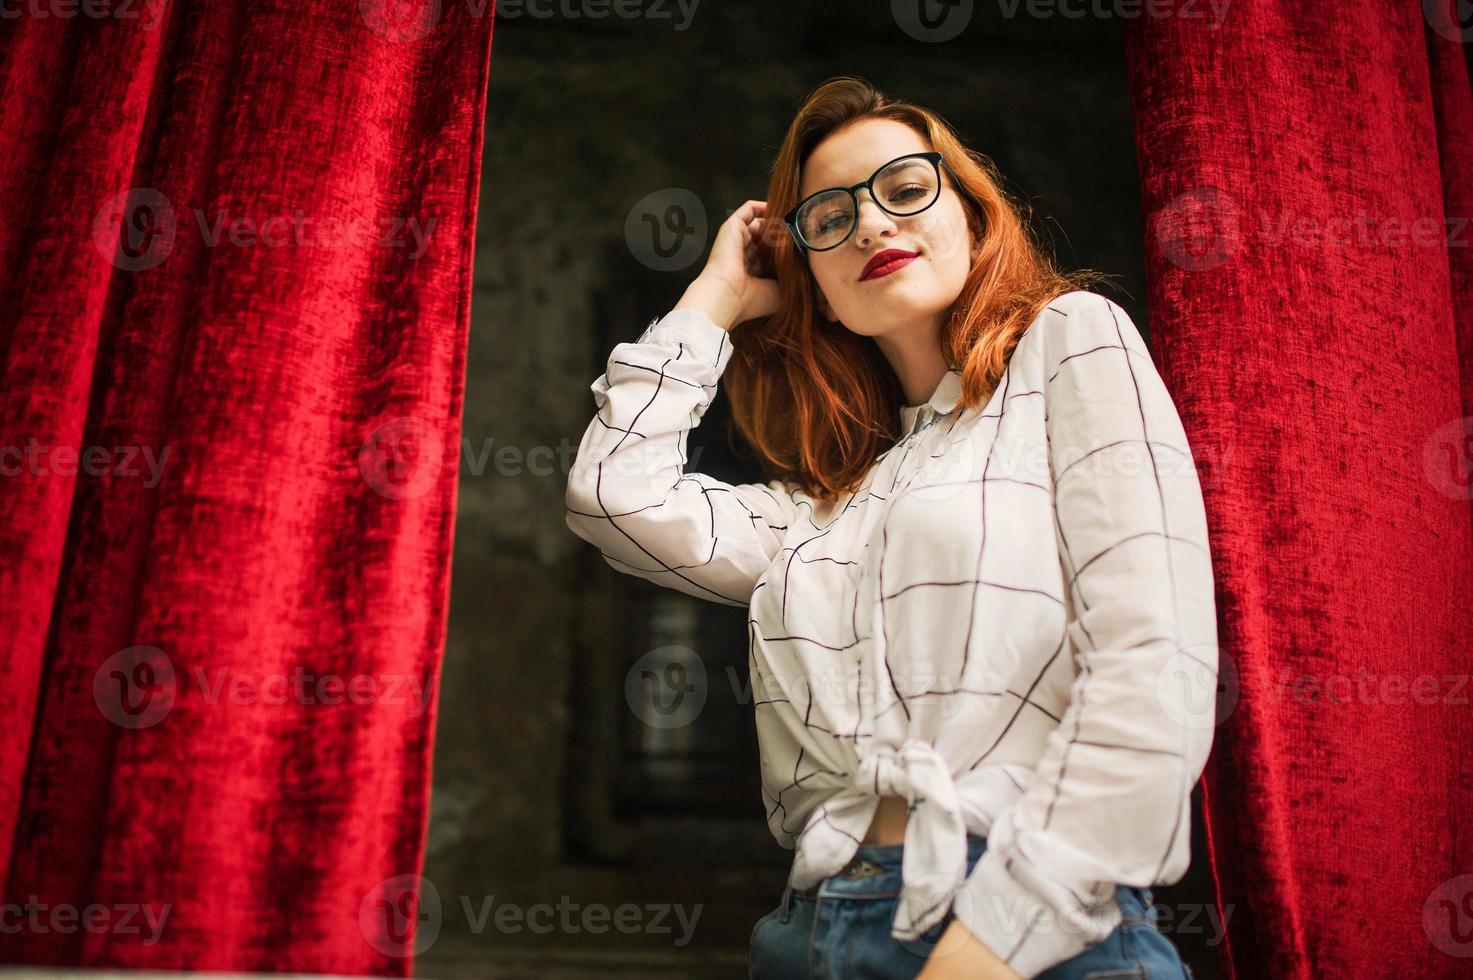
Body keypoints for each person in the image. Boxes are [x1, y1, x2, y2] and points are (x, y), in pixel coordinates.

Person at [564, 76, 1215, 980]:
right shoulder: (818, 509)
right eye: (827, 218)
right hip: (808, 932)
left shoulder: (1070, 345)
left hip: (1031, 931)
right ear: (817, 290)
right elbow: (610, 494)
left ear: (974, 220)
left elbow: (1156, 670)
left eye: (904, 190)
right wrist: (714, 298)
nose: (869, 224)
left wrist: (992, 943)